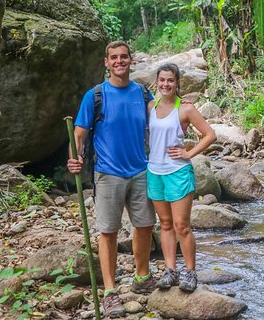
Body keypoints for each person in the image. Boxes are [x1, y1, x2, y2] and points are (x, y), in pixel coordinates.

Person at [67, 41, 156, 319]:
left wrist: (181, 104)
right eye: (114, 58)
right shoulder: (95, 96)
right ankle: (109, 291)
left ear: (131, 60)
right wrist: (75, 158)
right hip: (107, 173)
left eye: (124, 57)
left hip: (140, 170)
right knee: (109, 232)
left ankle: (142, 278)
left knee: (144, 226)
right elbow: (79, 134)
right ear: (106, 62)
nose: (119, 61)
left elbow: (163, 114)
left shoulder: (142, 92)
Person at [147, 63, 216, 292]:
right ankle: (170, 270)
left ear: (177, 83)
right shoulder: (151, 106)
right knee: (165, 224)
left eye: (170, 80)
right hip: (155, 172)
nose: (166, 84)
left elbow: (210, 135)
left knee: (181, 226)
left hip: (178, 172)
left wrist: (188, 153)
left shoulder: (185, 109)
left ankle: (190, 271)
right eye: (162, 80)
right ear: (157, 82)